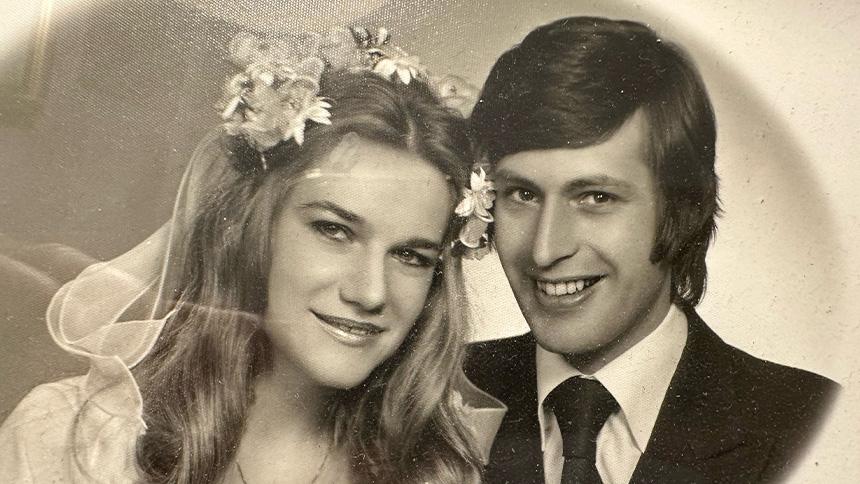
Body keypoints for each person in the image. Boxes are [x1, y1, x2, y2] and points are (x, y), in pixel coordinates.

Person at [0, 28, 505, 483]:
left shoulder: (436, 474)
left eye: (411, 256)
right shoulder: (69, 439)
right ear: (251, 231)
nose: (371, 292)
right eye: (334, 230)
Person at [465, 16, 839, 483]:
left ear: (682, 209)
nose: (544, 250)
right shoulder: (426, 399)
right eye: (522, 194)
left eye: (596, 198)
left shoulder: (818, 425)